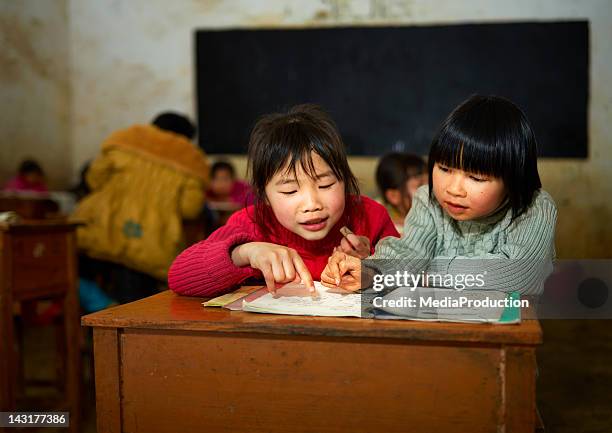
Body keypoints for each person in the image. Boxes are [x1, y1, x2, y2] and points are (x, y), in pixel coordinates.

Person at [322, 95, 557, 296]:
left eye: (476, 178)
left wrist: (424, 275)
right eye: (444, 169)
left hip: (504, 334)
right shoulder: (429, 200)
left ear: (513, 179)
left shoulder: (534, 207)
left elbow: (518, 274)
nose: (453, 189)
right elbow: (408, 254)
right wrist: (370, 273)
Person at [169, 104, 399, 297]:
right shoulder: (252, 224)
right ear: (264, 195)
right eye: (290, 191)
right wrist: (246, 253)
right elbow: (179, 277)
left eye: (326, 185)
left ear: (345, 180)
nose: (312, 204)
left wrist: (373, 267)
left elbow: (418, 277)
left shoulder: (369, 216)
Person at [72, 112, 209, 301]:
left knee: (78, 271)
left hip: (100, 229)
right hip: (151, 242)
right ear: (186, 138)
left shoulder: (124, 141)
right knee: (138, 294)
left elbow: (94, 179)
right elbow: (190, 208)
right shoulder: (192, 160)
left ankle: (100, 307)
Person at [375, 152, 427, 233]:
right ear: (394, 196)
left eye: (431, 184)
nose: (430, 191)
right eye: (420, 185)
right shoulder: (388, 231)